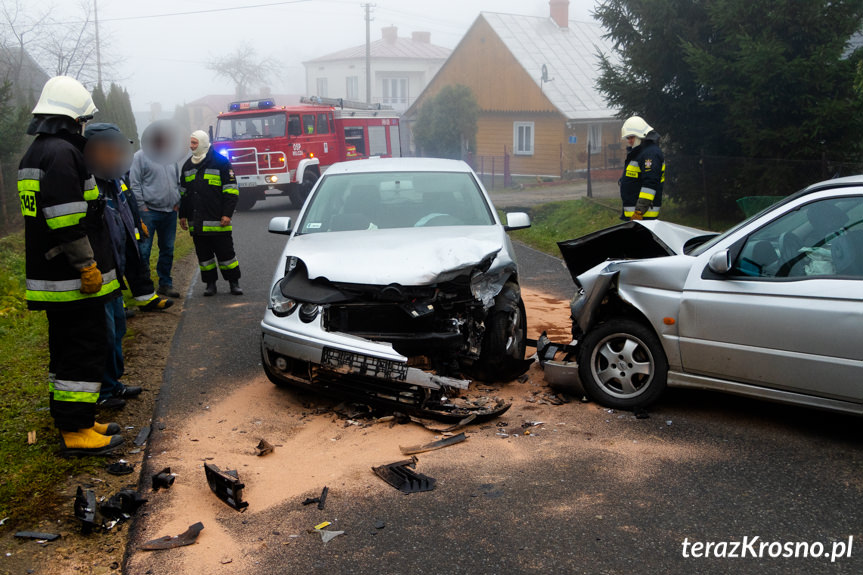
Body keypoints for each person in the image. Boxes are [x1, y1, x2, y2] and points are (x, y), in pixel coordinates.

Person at [18, 76, 124, 456]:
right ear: (72, 118)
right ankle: (76, 432)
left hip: (53, 276)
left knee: (66, 351)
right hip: (71, 278)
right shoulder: (63, 154)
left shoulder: (37, 152)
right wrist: (86, 266)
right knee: (83, 348)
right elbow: (67, 221)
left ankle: (74, 418)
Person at [84, 123, 170, 410]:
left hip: (114, 274)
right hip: (97, 274)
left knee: (117, 329)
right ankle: (103, 390)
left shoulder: (114, 180)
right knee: (102, 335)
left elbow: (125, 210)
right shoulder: (88, 182)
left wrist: (137, 223)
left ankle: (113, 384)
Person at [179, 130, 243, 296]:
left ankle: (233, 283)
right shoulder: (187, 166)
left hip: (218, 221)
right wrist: (182, 215)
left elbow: (231, 191)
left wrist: (227, 214)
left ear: (203, 143)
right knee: (204, 257)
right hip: (197, 223)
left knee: (226, 255)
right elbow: (184, 194)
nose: (191, 146)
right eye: (191, 143)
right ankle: (210, 284)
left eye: (194, 143)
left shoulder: (221, 163)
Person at [131, 121, 183, 298]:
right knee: (144, 251)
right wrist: (142, 208)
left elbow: (177, 182)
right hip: (149, 212)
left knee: (167, 249)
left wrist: (177, 202)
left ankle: (165, 284)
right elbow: (134, 184)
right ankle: (145, 289)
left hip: (170, 212)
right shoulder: (139, 157)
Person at [619, 116, 665, 220]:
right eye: (628, 138)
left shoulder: (650, 154)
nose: (629, 141)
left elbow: (650, 183)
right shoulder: (641, 152)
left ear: (641, 135)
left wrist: (640, 211)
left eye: (631, 137)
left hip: (644, 216)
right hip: (636, 216)